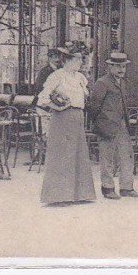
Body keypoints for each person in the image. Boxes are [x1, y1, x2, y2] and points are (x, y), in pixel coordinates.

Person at [36, 41, 96, 206]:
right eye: (77, 59)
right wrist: (57, 107)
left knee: (78, 154)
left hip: (78, 117)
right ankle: (58, 196)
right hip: (62, 119)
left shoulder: (80, 78)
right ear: (67, 60)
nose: (80, 62)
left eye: (81, 59)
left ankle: (79, 194)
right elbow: (43, 98)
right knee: (62, 155)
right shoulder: (57, 76)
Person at [88, 51, 138, 200]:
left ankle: (126, 188)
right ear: (110, 67)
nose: (121, 70)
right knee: (107, 158)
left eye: (123, 67)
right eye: (117, 66)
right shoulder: (102, 83)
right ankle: (108, 188)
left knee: (126, 156)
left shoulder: (122, 83)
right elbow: (93, 106)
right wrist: (100, 124)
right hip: (106, 126)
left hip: (122, 125)